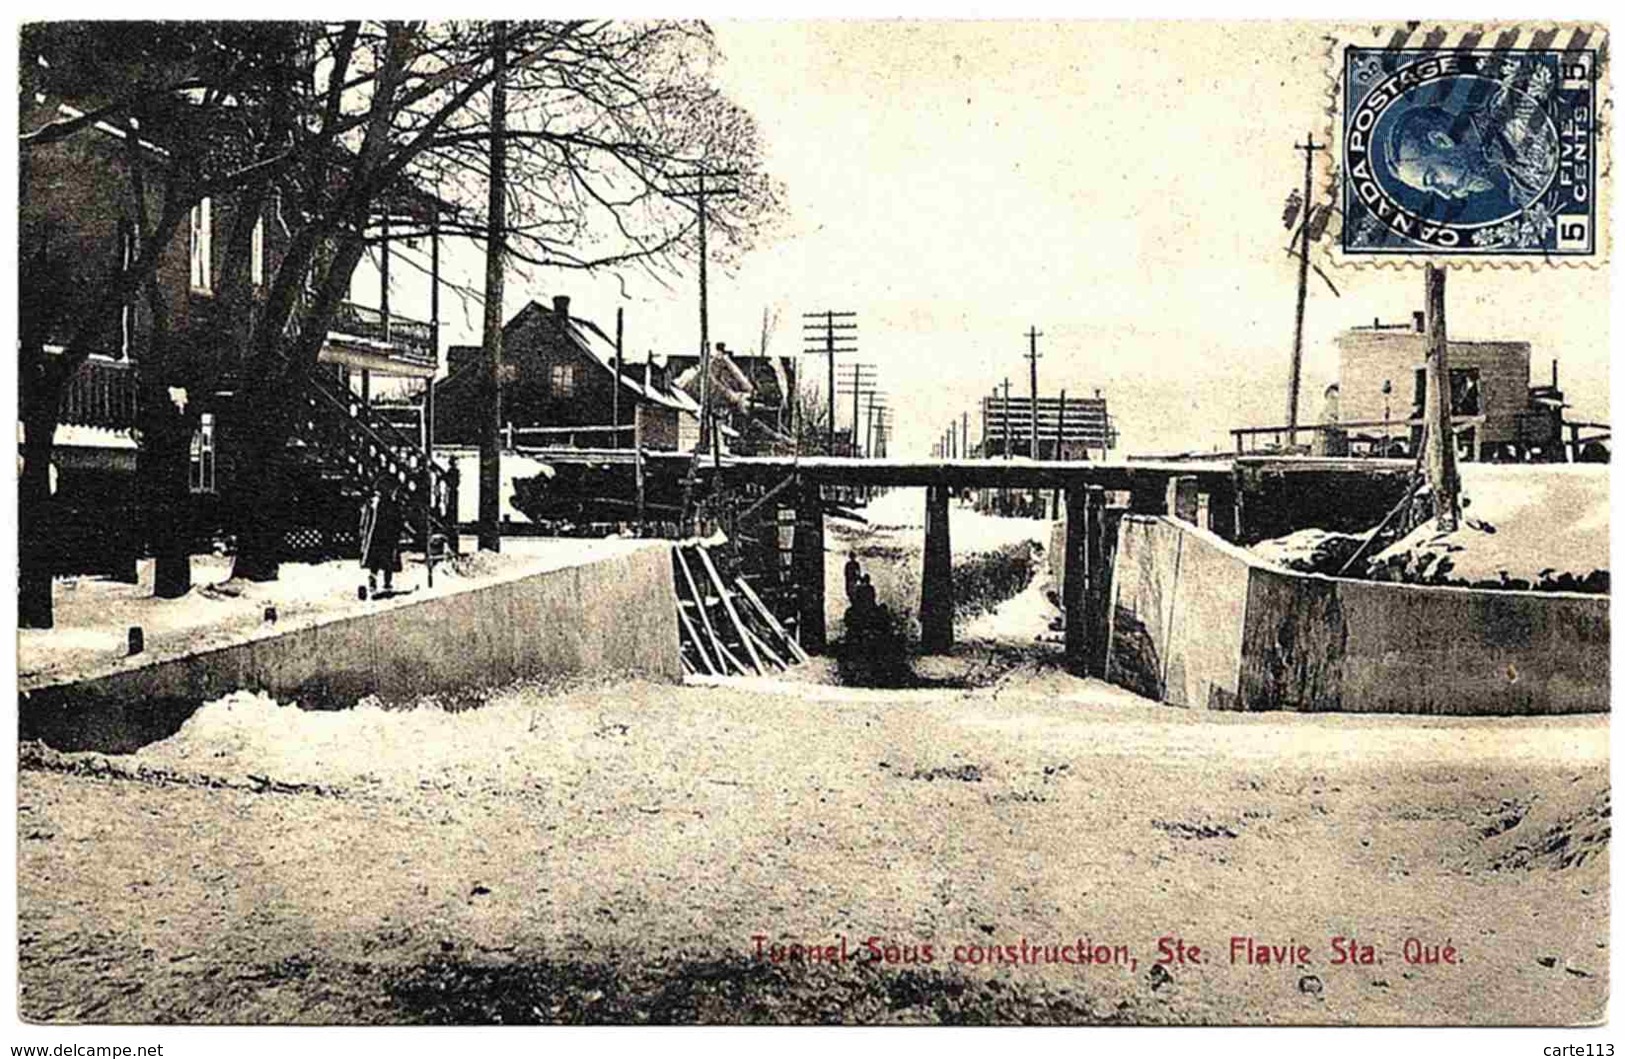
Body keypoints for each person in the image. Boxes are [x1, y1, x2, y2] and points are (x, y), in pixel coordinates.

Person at [359, 479, 406, 598]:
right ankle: (381, 584)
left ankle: (379, 584)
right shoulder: (385, 504)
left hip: (379, 537)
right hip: (382, 537)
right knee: (384, 561)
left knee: (380, 561)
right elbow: (397, 521)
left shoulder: (376, 503)